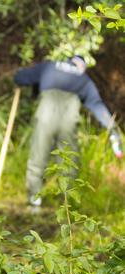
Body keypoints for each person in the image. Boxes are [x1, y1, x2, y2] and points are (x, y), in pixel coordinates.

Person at [14, 55, 123, 210]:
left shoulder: (49, 66)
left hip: (45, 116)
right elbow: (97, 106)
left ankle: (34, 202)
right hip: (68, 120)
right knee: (68, 161)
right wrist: (113, 130)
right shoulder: (83, 79)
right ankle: (65, 205)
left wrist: (19, 75)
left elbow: (21, 78)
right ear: (81, 66)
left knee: (37, 158)